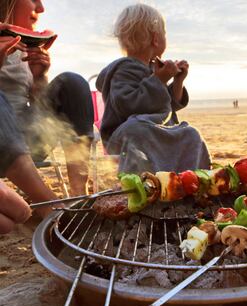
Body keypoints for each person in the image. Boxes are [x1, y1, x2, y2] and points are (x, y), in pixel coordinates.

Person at [0, 0, 94, 212]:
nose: (41, 8)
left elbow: (41, 115)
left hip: (26, 141)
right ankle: (51, 207)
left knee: (73, 83)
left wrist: (39, 77)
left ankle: (80, 196)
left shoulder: (24, 48)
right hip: (2, 147)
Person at [96, 3, 211, 173]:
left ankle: (192, 180)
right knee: (138, 127)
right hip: (125, 136)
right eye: (164, 34)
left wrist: (177, 82)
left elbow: (166, 106)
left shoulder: (154, 68)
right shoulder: (124, 69)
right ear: (156, 39)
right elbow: (128, 105)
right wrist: (160, 79)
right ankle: (152, 183)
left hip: (154, 132)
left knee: (190, 133)